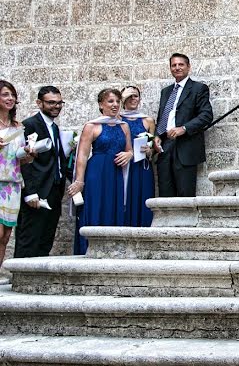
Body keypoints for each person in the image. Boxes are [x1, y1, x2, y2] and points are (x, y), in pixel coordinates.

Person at [68, 88, 132, 255]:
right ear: (101, 104)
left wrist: (128, 154)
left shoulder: (124, 126)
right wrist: (80, 181)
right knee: (95, 207)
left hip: (116, 174)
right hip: (96, 172)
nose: (115, 105)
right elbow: (82, 154)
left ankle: (112, 250)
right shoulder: (92, 126)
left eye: (118, 101)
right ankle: (88, 250)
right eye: (111, 101)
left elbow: (130, 150)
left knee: (113, 207)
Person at [14, 86, 69, 259]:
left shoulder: (54, 128)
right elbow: (23, 160)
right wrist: (30, 193)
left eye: (59, 103)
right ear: (39, 103)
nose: (56, 106)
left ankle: (37, 282)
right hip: (37, 190)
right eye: (51, 102)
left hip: (54, 189)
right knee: (29, 237)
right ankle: (21, 280)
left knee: (46, 237)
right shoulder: (30, 125)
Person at [155, 53, 214, 197]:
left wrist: (184, 129)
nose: (177, 68)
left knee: (185, 194)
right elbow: (162, 116)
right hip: (165, 147)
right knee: (165, 195)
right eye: (174, 65)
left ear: (188, 67)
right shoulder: (165, 91)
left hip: (185, 147)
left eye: (181, 64)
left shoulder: (198, 89)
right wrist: (157, 136)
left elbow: (206, 116)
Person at [0, 81, 34, 268]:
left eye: (12, 95)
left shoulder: (17, 126)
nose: (10, 98)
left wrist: (29, 155)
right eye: (5, 94)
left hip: (13, 183)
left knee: (5, 236)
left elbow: (20, 159)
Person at [120, 86, 157, 227]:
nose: (132, 99)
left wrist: (149, 151)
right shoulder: (117, 118)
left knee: (142, 198)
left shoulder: (148, 121)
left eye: (135, 96)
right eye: (129, 96)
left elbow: (153, 147)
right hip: (124, 164)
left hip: (141, 166)